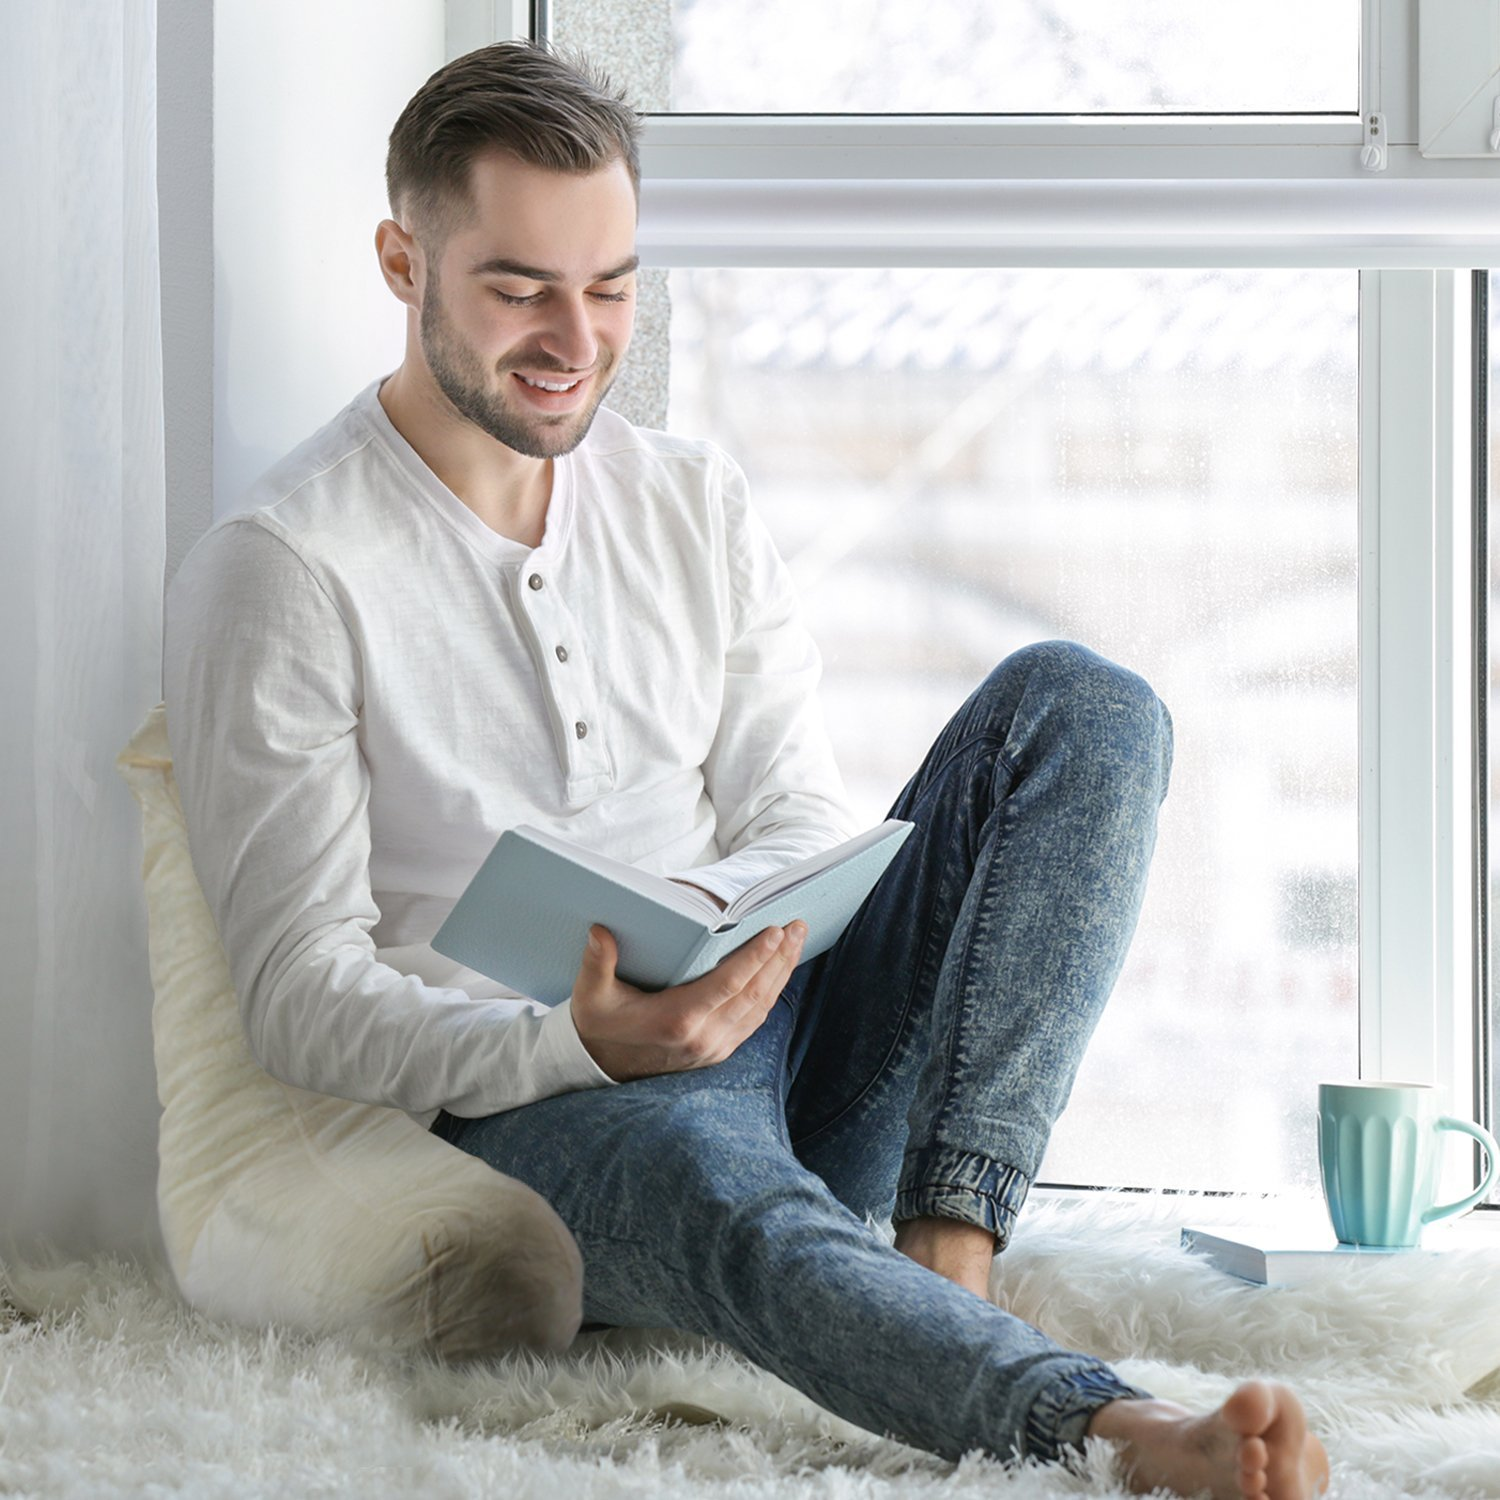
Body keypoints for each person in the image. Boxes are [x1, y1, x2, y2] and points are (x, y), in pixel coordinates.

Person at [162, 38, 1330, 1500]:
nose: (575, 338)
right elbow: (297, 995)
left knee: (1085, 707)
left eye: (610, 286)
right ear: (404, 263)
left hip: (781, 1020)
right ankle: (1108, 1432)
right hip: (561, 1101)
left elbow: (792, 805)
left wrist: (730, 933)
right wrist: (581, 1043)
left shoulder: (689, 497)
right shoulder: (282, 568)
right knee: (709, 1180)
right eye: (519, 289)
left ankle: (945, 1257)